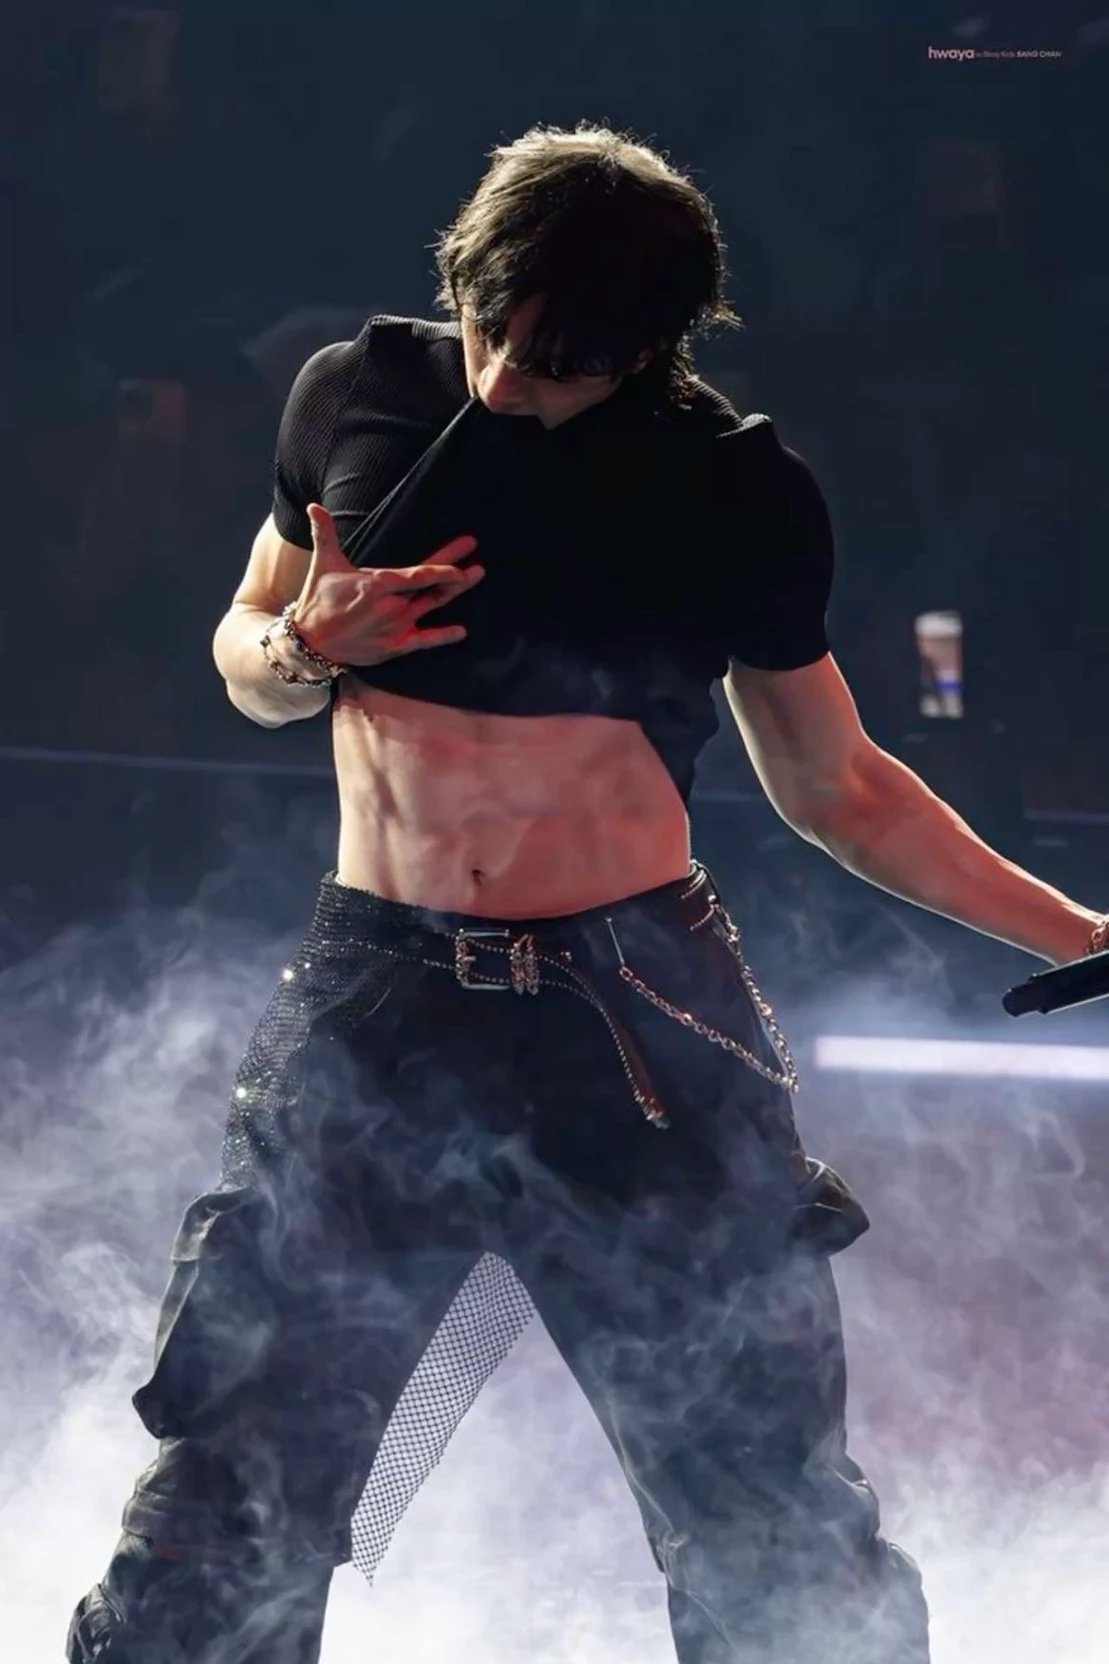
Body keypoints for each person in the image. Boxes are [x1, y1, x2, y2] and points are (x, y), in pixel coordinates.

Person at [67, 123, 1105, 1664]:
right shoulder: (357, 393)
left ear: (649, 345)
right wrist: (303, 649)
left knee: (766, 1525)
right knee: (218, 1517)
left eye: (557, 366)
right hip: (373, 1010)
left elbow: (839, 788)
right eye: (490, 328)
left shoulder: (734, 484)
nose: (503, 383)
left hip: (636, 1022)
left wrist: (1086, 935)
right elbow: (247, 655)